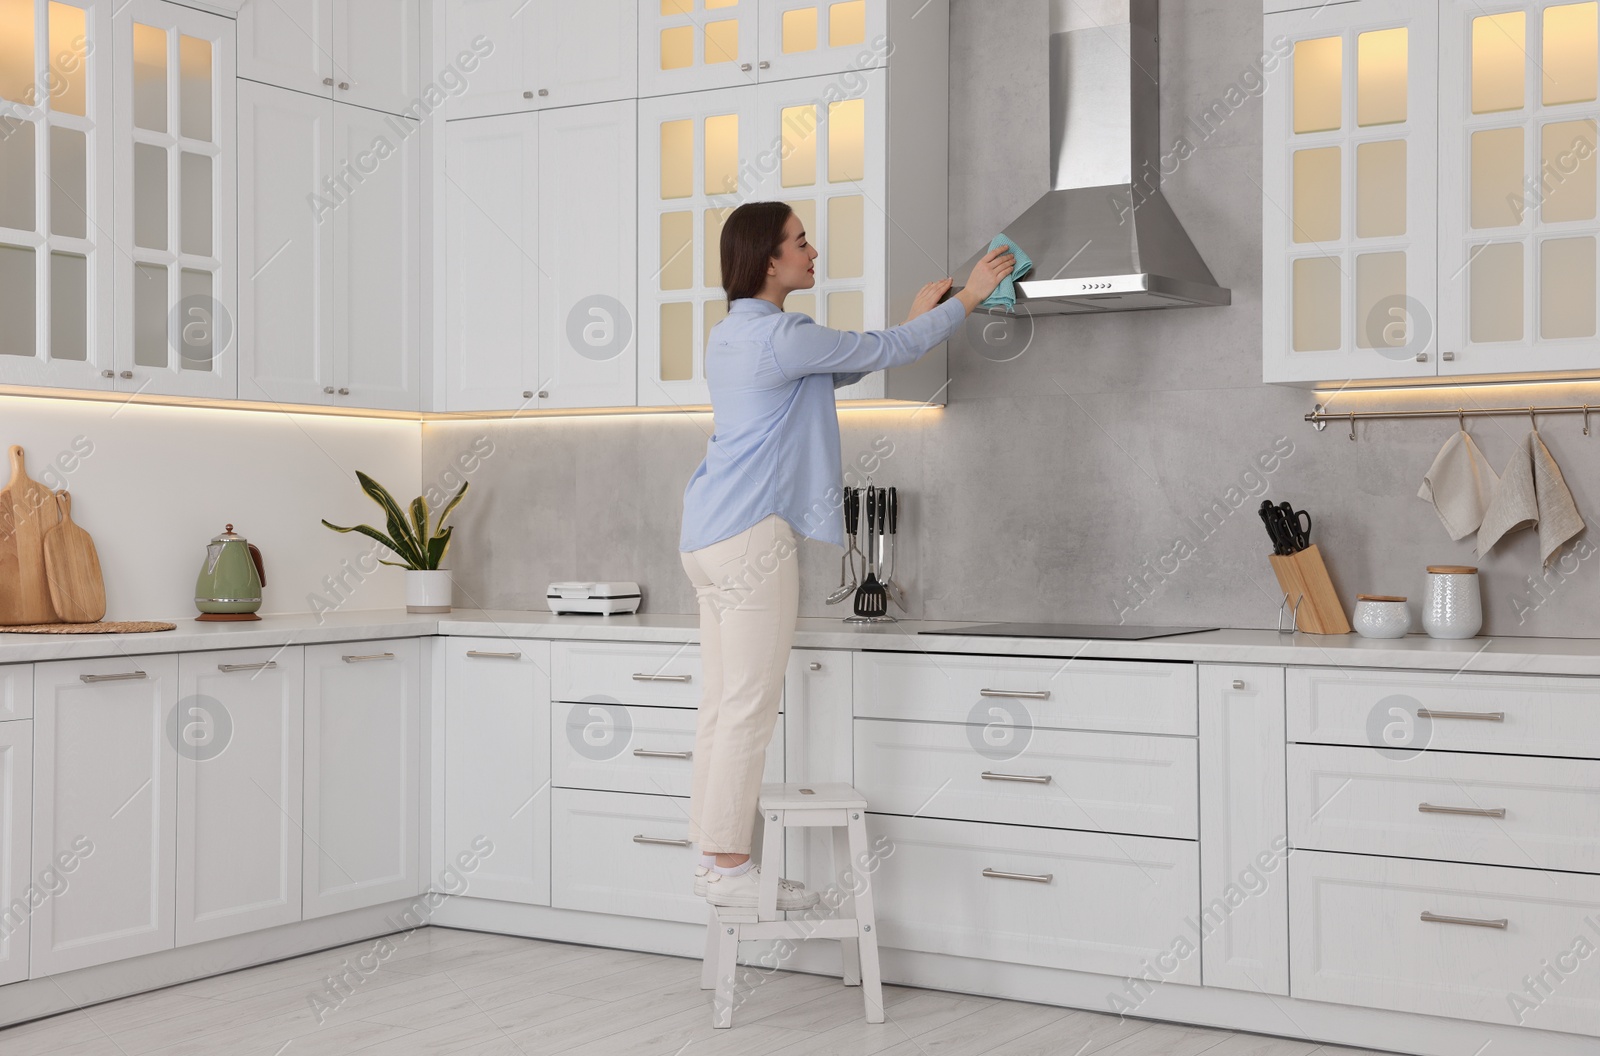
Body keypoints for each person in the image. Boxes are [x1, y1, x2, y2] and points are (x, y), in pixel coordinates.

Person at [678, 201, 1016, 909]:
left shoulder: (731, 336)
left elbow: (838, 368)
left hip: (705, 536)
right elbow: (878, 352)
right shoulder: (783, 335)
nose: (812, 251)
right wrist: (971, 300)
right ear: (769, 261)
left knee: (722, 703)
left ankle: (713, 861)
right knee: (747, 705)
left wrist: (920, 315)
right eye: (800, 242)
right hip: (749, 540)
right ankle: (731, 868)